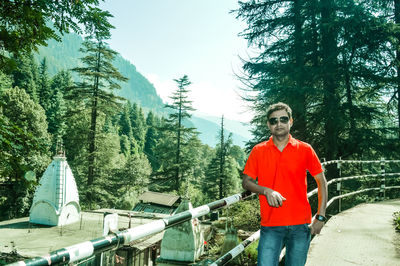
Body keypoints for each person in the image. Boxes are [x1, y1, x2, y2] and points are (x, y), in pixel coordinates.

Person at [242, 102, 328, 266]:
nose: (278, 124)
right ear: (269, 124)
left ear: (291, 121)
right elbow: (246, 182)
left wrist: (320, 216)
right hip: (270, 226)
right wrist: (266, 191)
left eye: (283, 119)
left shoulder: (305, 149)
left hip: (300, 226)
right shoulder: (258, 151)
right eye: (273, 121)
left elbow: (322, 182)